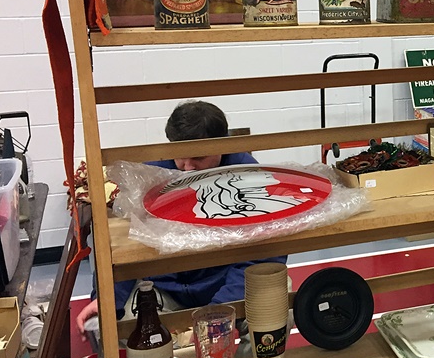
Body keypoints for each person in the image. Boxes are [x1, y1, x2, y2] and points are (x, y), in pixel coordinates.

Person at [76, 100, 285, 337]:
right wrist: (106, 299)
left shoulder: (251, 179)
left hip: (224, 283)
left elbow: (262, 256)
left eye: (198, 158)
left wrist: (219, 311)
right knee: (124, 331)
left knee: (275, 307)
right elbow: (127, 240)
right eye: (180, 157)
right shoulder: (151, 175)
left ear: (222, 145)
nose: (187, 168)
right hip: (166, 290)